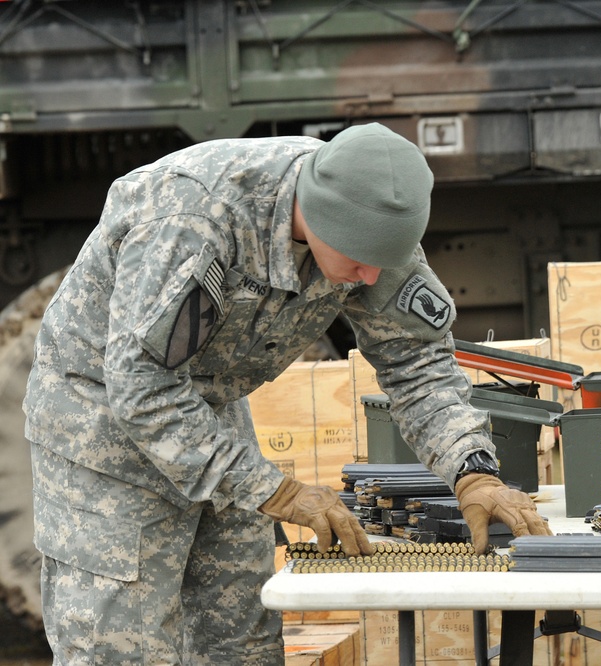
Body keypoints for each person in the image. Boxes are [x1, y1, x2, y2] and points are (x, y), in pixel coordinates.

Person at [23, 122, 551, 664]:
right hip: (101, 422)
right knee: (123, 647)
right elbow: (142, 389)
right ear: (317, 214)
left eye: (382, 263)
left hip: (209, 409)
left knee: (241, 641)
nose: (369, 279)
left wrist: (473, 471)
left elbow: (417, 362)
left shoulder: (371, 222)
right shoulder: (192, 220)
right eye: (358, 261)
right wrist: (276, 493)